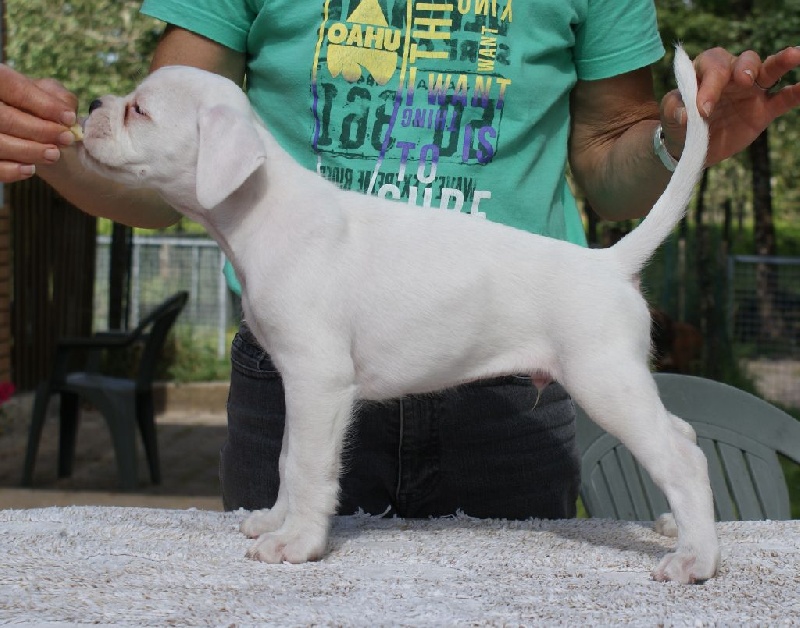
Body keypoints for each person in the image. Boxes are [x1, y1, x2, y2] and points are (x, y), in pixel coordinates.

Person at [2, 2, 798, 518]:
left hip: (509, 380)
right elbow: (162, 151)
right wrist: (48, 144)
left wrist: (680, 141)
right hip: (289, 378)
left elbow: (608, 157)